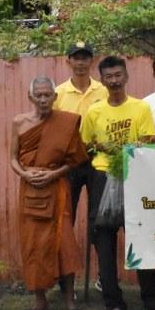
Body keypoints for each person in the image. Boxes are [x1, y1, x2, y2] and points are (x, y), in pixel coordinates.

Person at [80, 56, 155, 310]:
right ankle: (113, 302)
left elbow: (147, 141)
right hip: (103, 177)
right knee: (104, 239)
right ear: (102, 80)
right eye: (108, 77)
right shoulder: (94, 111)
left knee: (141, 236)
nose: (114, 81)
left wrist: (135, 148)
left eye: (118, 75)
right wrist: (100, 149)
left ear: (126, 76)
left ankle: (151, 299)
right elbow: (86, 144)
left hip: (135, 177)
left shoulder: (141, 108)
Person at [10, 76, 89, 310]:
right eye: (39, 95)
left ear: (55, 97)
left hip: (58, 190)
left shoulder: (66, 122)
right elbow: (12, 157)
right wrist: (25, 173)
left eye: (48, 95)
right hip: (30, 191)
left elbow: (75, 160)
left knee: (63, 243)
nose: (43, 100)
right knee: (34, 245)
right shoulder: (19, 123)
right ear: (30, 97)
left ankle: (69, 302)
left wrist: (53, 174)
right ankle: (40, 302)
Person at [53, 41, 108, 222]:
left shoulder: (103, 90)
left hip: (97, 157)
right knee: (66, 212)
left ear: (92, 61)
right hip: (69, 159)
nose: (80, 63)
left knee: (98, 213)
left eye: (85, 58)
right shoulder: (59, 93)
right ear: (68, 61)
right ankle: (66, 251)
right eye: (76, 58)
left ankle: (98, 249)